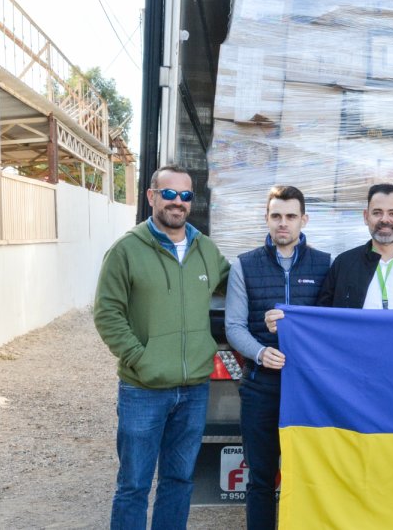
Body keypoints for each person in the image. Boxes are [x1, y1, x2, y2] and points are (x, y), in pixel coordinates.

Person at [94, 164, 230, 530]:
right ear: (152, 196)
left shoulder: (205, 250)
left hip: (193, 389)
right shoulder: (126, 249)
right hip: (143, 389)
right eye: (169, 193)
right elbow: (107, 313)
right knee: (134, 484)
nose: (177, 202)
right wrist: (141, 359)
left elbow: (238, 287)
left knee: (179, 480)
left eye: (185, 195)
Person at [224, 185, 330, 530]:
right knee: (261, 477)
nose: (283, 223)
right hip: (261, 388)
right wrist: (259, 352)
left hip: (309, 390)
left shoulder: (325, 264)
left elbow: (330, 322)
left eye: (290, 216)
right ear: (267, 219)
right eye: (276, 216)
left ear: (304, 220)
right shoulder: (244, 265)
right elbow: (234, 326)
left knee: (312, 477)